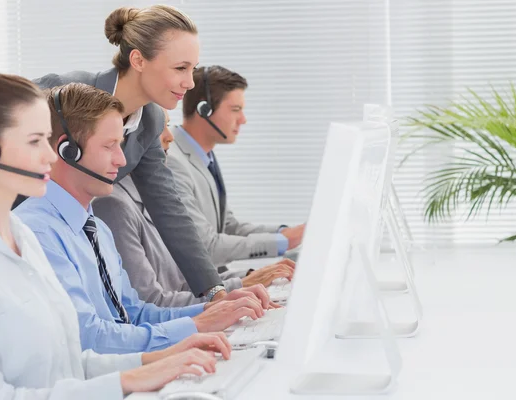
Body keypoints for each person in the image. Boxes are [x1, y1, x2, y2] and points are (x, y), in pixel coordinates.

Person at [0, 74, 233, 399]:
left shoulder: (20, 236)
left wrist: (154, 363)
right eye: (36, 141)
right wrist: (128, 379)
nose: (51, 156)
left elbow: (66, 363)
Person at [0, 5, 227, 301]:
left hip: (35, 246)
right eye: (180, 68)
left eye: (193, 69)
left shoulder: (149, 120)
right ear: (138, 59)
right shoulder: (62, 92)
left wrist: (214, 291)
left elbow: (168, 208)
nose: (190, 82)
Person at [15, 83, 270, 355]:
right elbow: (88, 337)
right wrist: (196, 326)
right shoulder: (35, 233)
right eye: (109, 146)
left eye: (121, 145)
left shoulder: (97, 228)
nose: (122, 159)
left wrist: (214, 309)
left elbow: (133, 314)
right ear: (66, 150)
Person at [93, 108, 295, 306]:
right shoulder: (114, 206)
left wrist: (251, 277)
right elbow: (151, 302)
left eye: (168, 126)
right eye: (159, 129)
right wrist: (236, 291)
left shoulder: (157, 197)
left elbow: (186, 284)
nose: (170, 137)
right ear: (128, 139)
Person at [167, 65, 306, 268]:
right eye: (235, 110)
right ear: (203, 110)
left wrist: (285, 232)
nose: (243, 119)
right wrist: (285, 242)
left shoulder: (204, 157)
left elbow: (228, 226)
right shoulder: (173, 162)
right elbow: (206, 246)